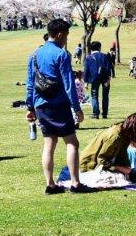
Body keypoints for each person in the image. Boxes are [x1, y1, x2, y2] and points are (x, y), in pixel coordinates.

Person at [26, 18, 92, 195]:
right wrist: (77, 108)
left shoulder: (34, 55)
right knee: (72, 142)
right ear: (60, 34)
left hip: (41, 105)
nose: (67, 40)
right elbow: (69, 84)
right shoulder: (62, 54)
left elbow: (30, 83)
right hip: (59, 105)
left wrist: (29, 107)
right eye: (67, 36)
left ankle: (50, 184)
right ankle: (76, 183)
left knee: (49, 144)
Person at [79, 113, 136, 179]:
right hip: (89, 165)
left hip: (102, 164)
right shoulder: (115, 137)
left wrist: (128, 169)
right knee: (115, 179)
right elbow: (101, 159)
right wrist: (121, 169)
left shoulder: (125, 133)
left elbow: (122, 155)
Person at [83, 41, 113, 120]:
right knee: (105, 96)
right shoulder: (105, 56)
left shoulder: (89, 57)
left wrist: (86, 82)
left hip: (94, 78)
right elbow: (109, 68)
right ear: (99, 47)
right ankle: (105, 114)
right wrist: (109, 80)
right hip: (105, 78)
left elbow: (86, 70)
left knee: (94, 96)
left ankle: (95, 114)